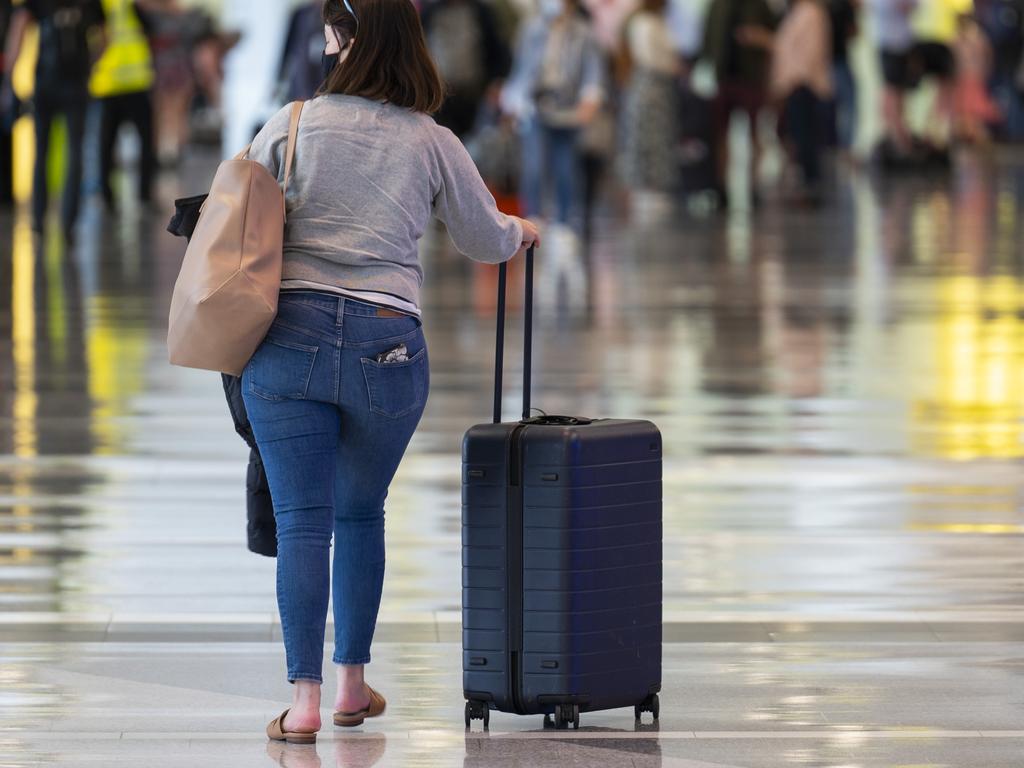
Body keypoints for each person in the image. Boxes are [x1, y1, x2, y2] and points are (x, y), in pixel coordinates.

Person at [243, 0, 539, 743]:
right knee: (358, 511)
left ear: (342, 44)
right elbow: (483, 236)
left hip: (288, 342)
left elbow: (237, 217)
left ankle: (303, 705)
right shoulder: (429, 138)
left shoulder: (293, 123)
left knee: (303, 521)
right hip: (387, 347)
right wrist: (522, 232)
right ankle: (351, 685)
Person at [2, 0, 106, 238]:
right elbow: (103, 38)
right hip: (74, 84)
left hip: (46, 83)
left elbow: (19, 29)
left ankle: (39, 221)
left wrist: (10, 77)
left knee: (43, 152)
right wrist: (89, 67)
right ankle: (67, 223)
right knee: (74, 153)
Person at [502, 0, 604, 228]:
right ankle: (532, 219)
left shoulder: (584, 33)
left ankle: (564, 224)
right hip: (535, 107)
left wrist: (589, 100)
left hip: (568, 111)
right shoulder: (531, 29)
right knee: (534, 166)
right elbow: (520, 71)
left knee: (566, 169)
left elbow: (592, 73)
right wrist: (514, 102)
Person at [701, 0, 780, 208]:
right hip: (724, 76)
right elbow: (707, 38)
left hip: (750, 77)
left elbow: (775, 37)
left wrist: (758, 38)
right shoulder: (717, 6)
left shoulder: (759, 5)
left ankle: (753, 187)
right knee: (720, 136)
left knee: (754, 134)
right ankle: (721, 187)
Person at [89, 0, 157, 210]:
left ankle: (111, 195)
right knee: (121, 142)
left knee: (108, 143)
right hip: (122, 82)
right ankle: (135, 195)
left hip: (119, 82)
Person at [619, 0, 683, 205]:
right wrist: (673, 66)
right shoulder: (644, 23)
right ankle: (645, 188)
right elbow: (650, 58)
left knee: (660, 138)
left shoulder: (657, 22)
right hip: (650, 88)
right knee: (646, 139)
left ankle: (657, 186)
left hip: (661, 89)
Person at [772, 0, 833, 202]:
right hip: (793, 85)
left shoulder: (811, 13)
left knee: (806, 137)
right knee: (797, 136)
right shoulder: (797, 13)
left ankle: (811, 183)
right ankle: (805, 181)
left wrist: (795, 80)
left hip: (803, 86)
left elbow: (811, 53)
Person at [420, 0, 510, 138]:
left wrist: (495, 83)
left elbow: (499, 53)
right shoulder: (430, 13)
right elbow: (419, 52)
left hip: (474, 96)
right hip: (439, 99)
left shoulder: (481, 12)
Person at [865, 0, 918, 153]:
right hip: (888, 44)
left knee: (901, 93)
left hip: (905, 44)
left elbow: (915, 6)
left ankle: (900, 133)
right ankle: (893, 135)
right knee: (891, 91)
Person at [953, 12, 1002, 142]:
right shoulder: (958, 39)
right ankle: (968, 137)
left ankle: (977, 137)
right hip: (964, 78)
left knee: (975, 111)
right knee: (966, 111)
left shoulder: (978, 38)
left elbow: (988, 57)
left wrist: (985, 70)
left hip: (975, 77)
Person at [828, 0, 859, 155]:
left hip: (826, 60)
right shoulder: (844, 5)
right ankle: (844, 148)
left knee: (831, 105)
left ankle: (833, 146)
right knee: (848, 104)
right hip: (838, 60)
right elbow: (854, 32)